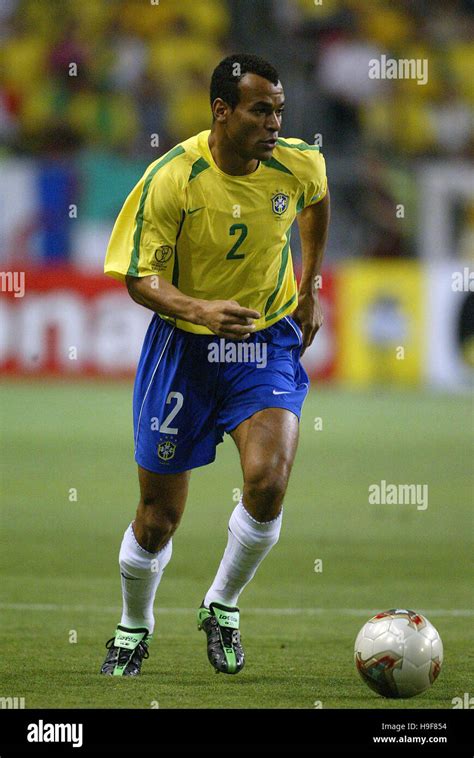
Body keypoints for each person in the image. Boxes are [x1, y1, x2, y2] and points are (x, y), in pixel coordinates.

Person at [100, 53, 330, 677]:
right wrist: (200, 308)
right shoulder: (172, 178)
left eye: (280, 110)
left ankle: (222, 605)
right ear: (222, 111)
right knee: (157, 520)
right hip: (183, 350)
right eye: (261, 110)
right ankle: (134, 626)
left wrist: (308, 287)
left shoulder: (298, 161)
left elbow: (315, 200)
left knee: (268, 479)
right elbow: (139, 278)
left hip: (264, 340)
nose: (275, 123)